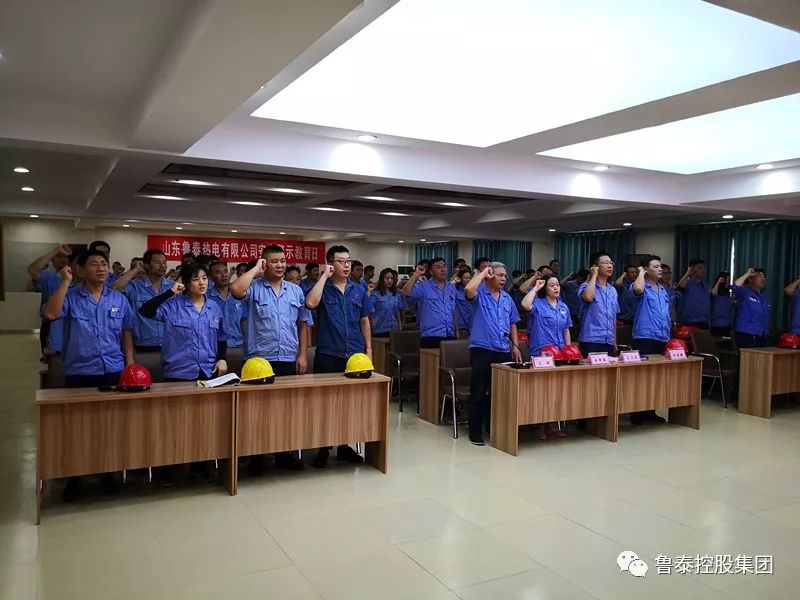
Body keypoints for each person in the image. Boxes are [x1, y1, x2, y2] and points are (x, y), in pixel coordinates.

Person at [44, 250, 135, 501]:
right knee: (78, 428)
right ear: (82, 270)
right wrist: (65, 281)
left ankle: (106, 472)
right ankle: (75, 476)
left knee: (109, 426)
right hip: (81, 372)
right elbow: (51, 314)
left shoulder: (118, 299)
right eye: (94, 265)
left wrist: (130, 365)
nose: (101, 268)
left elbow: (127, 333)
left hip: (113, 370)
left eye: (104, 264)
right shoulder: (71, 296)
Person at [139, 264, 227, 483]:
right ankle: (170, 468)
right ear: (186, 283)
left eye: (204, 278)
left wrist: (222, 358)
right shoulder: (172, 305)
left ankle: (201, 466)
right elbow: (145, 311)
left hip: (206, 372)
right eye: (196, 279)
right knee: (175, 424)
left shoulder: (214, 307)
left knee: (204, 423)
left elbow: (221, 337)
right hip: (179, 372)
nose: (202, 283)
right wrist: (170, 292)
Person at [304, 245, 373, 467]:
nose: (346, 265)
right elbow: (310, 303)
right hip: (328, 353)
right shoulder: (322, 288)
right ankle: (323, 448)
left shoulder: (358, 290)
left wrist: (369, 350)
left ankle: (344, 446)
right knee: (324, 405)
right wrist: (324, 276)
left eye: (348, 261)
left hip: (354, 355)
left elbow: (364, 321)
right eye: (341, 261)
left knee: (349, 406)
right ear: (331, 264)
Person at [464, 262, 521, 445]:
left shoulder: (507, 298)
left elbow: (513, 322)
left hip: (503, 349)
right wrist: (482, 274)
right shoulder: (480, 293)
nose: (504, 278)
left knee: (500, 392)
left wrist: (515, 346)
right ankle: (475, 431)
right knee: (479, 392)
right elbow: (468, 289)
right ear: (490, 275)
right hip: (482, 349)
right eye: (499, 275)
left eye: (505, 275)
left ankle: (493, 426)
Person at [522, 274, 572, 439]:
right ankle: (539, 426)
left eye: (557, 284)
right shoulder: (538, 304)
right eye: (552, 285)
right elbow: (525, 304)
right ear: (545, 288)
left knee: (556, 391)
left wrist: (569, 351)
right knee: (541, 392)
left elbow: (566, 330)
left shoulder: (563, 307)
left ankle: (552, 424)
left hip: (560, 354)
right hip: (541, 353)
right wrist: (536, 288)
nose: (556, 287)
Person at [628, 255, 671, 424]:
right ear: (646, 269)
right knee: (642, 377)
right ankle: (637, 412)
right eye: (656, 267)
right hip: (645, 336)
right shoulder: (641, 285)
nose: (660, 269)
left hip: (662, 337)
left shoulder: (663, 289)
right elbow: (638, 289)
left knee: (655, 377)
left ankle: (651, 410)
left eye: (661, 266)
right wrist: (640, 272)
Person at [113, 249, 172, 352]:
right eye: (157, 263)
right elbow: (114, 289)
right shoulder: (135, 286)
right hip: (142, 346)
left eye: (164, 262)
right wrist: (136, 269)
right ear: (147, 265)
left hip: (169, 346)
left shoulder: (173, 287)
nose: (162, 266)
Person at [27, 243, 72, 354]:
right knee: (52, 358)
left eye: (65, 257)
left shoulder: (77, 278)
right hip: (51, 323)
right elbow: (32, 270)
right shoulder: (49, 277)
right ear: (52, 260)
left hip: (71, 325)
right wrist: (56, 250)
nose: (63, 260)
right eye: (59, 257)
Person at [402, 257, 457, 348]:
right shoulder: (424, 286)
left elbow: (453, 311)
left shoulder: (451, 287)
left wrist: (457, 331)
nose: (443, 269)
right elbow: (405, 292)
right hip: (431, 336)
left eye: (444, 266)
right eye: (438, 267)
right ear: (431, 271)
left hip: (450, 334)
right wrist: (416, 274)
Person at [578, 251, 619, 356]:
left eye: (611, 263)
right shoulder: (586, 286)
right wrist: (594, 275)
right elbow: (588, 297)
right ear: (595, 267)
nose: (609, 266)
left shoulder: (613, 290)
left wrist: (614, 341)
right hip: (591, 340)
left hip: (609, 340)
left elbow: (613, 317)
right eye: (605, 263)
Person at [207, 261, 246, 350]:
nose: (224, 275)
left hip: (238, 346)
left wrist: (247, 343)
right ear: (211, 277)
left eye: (225, 271)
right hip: (214, 348)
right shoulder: (206, 297)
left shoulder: (238, 294)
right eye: (218, 272)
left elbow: (243, 320)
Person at [731, 268, 771, 348]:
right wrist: (748, 274)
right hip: (746, 335)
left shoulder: (764, 298)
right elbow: (735, 286)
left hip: (762, 336)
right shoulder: (744, 292)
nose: (762, 279)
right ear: (750, 279)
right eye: (759, 276)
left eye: (764, 277)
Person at [368, 268, 404, 337]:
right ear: (382, 279)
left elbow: (397, 313)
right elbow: (368, 310)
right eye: (387, 278)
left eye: (392, 278)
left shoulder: (396, 294)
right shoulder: (375, 294)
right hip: (380, 330)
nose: (390, 281)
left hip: (394, 330)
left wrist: (400, 327)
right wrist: (369, 292)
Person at [677, 258, 711, 328]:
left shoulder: (706, 286)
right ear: (692, 269)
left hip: (704, 322)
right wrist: (688, 273)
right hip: (688, 322)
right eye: (699, 267)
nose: (702, 270)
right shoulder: (687, 283)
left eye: (704, 268)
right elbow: (681, 285)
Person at [710, 272, 733, 336]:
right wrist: (718, 282)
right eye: (727, 280)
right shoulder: (715, 292)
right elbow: (713, 293)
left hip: (727, 325)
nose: (728, 282)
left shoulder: (728, 295)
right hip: (717, 325)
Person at [454, 268, 474, 335]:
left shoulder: (474, 291)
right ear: (460, 279)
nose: (468, 280)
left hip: (473, 326)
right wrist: (455, 280)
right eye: (466, 278)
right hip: (461, 327)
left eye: (470, 278)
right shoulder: (455, 290)